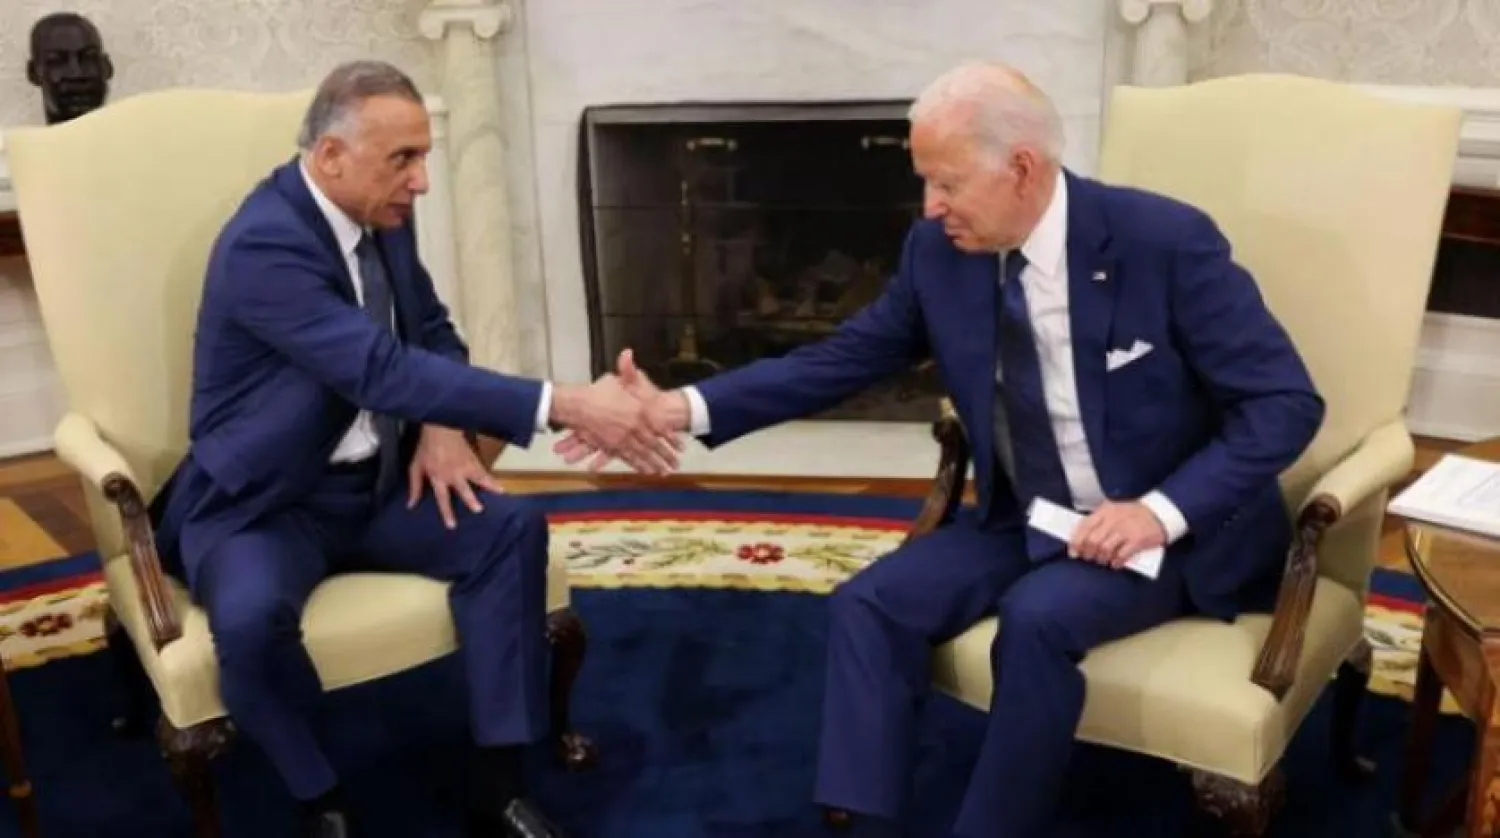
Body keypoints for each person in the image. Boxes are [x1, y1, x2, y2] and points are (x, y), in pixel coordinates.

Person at [558, 61, 1325, 837]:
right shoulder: (939, 253)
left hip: (1164, 534)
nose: (930, 205)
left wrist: (1158, 512)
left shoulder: (1163, 243)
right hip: (1027, 516)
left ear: (1021, 167)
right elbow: (840, 360)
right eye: (925, 181)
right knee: (869, 603)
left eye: (947, 183)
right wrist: (677, 408)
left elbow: (1284, 403)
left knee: (1037, 619)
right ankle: (862, 821)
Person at [148, 60, 677, 838]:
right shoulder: (265, 243)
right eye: (404, 159)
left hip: (379, 485)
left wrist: (440, 427)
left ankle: (498, 786)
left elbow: (429, 335)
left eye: (424, 156)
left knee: (509, 532)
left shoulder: (382, 215)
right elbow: (377, 368)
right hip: (265, 504)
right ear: (331, 155)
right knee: (252, 626)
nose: (422, 182)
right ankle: (320, 798)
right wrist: (567, 403)